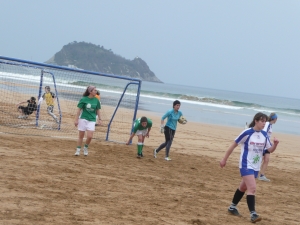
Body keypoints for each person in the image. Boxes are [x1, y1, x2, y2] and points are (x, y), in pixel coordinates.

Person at [219, 112, 279, 223]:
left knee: (243, 187)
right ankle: (253, 214)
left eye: (265, 121)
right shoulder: (247, 132)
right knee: (252, 188)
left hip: (255, 166)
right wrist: (224, 159)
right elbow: (233, 145)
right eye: (262, 121)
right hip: (246, 164)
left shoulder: (264, 135)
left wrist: (275, 145)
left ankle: (232, 207)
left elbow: (269, 150)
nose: (263, 123)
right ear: (256, 121)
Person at [74, 86, 101, 156]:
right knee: (81, 136)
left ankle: (85, 147)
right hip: (83, 119)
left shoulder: (96, 100)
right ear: (90, 92)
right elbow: (79, 110)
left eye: (96, 90)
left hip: (92, 120)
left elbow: (98, 110)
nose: (96, 91)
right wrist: (76, 120)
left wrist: (100, 119)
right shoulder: (83, 99)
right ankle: (78, 150)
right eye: (95, 90)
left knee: (90, 136)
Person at [258, 113, 278, 182]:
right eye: (276, 118)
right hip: (265, 145)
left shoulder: (270, 125)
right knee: (261, 159)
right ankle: (257, 173)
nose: (276, 120)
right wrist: (267, 143)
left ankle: (261, 175)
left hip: (266, 145)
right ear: (274, 118)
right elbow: (264, 133)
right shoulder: (268, 124)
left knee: (266, 160)